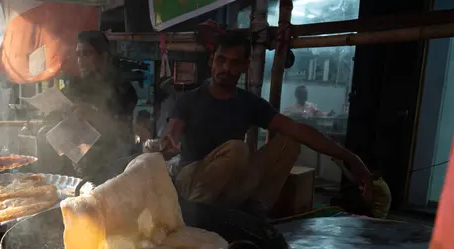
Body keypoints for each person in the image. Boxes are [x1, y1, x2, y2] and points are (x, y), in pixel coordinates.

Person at [159, 30, 372, 212]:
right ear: (211, 61)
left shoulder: (249, 103)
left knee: (289, 142)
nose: (225, 68)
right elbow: (171, 133)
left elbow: (298, 130)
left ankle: (255, 211)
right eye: (221, 60)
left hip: (231, 185)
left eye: (234, 63)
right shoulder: (189, 100)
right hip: (193, 182)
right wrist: (167, 143)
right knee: (238, 149)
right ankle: (198, 215)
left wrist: (352, 159)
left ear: (245, 66)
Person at [61, 30, 138, 183]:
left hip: (111, 166)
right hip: (77, 164)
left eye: (87, 54)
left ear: (103, 57)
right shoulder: (74, 87)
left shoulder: (123, 89)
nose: (81, 60)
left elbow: (123, 131)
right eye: (78, 54)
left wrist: (93, 114)